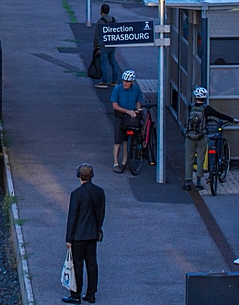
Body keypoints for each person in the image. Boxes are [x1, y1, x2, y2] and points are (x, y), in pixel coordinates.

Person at [182, 87, 238, 191]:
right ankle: (198, 183)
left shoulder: (191, 107)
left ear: (195, 97)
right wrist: (231, 119)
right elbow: (219, 115)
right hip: (201, 137)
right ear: (205, 97)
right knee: (200, 159)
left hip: (190, 136)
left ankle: (187, 182)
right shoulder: (207, 109)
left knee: (189, 159)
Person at [64, 163, 105, 304]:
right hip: (92, 235)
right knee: (92, 264)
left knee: (78, 265)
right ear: (91, 176)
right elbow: (101, 214)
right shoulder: (99, 192)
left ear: (79, 176)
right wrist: (98, 229)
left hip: (78, 236)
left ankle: (76, 294)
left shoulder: (77, 194)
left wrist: (68, 238)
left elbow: (72, 217)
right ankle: (91, 294)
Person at [110, 70, 148, 173]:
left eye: (128, 81)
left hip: (131, 116)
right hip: (120, 116)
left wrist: (138, 109)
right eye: (124, 81)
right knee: (118, 141)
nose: (125, 83)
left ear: (132, 82)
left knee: (127, 140)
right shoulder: (117, 89)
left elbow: (138, 102)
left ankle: (125, 162)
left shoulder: (136, 89)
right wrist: (127, 111)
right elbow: (115, 106)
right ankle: (116, 163)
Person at [93, 4, 120, 89]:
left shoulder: (100, 21)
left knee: (103, 63)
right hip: (112, 44)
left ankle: (104, 81)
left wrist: (97, 47)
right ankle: (115, 80)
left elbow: (98, 35)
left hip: (104, 45)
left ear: (101, 11)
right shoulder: (113, 19)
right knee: (113, 61)